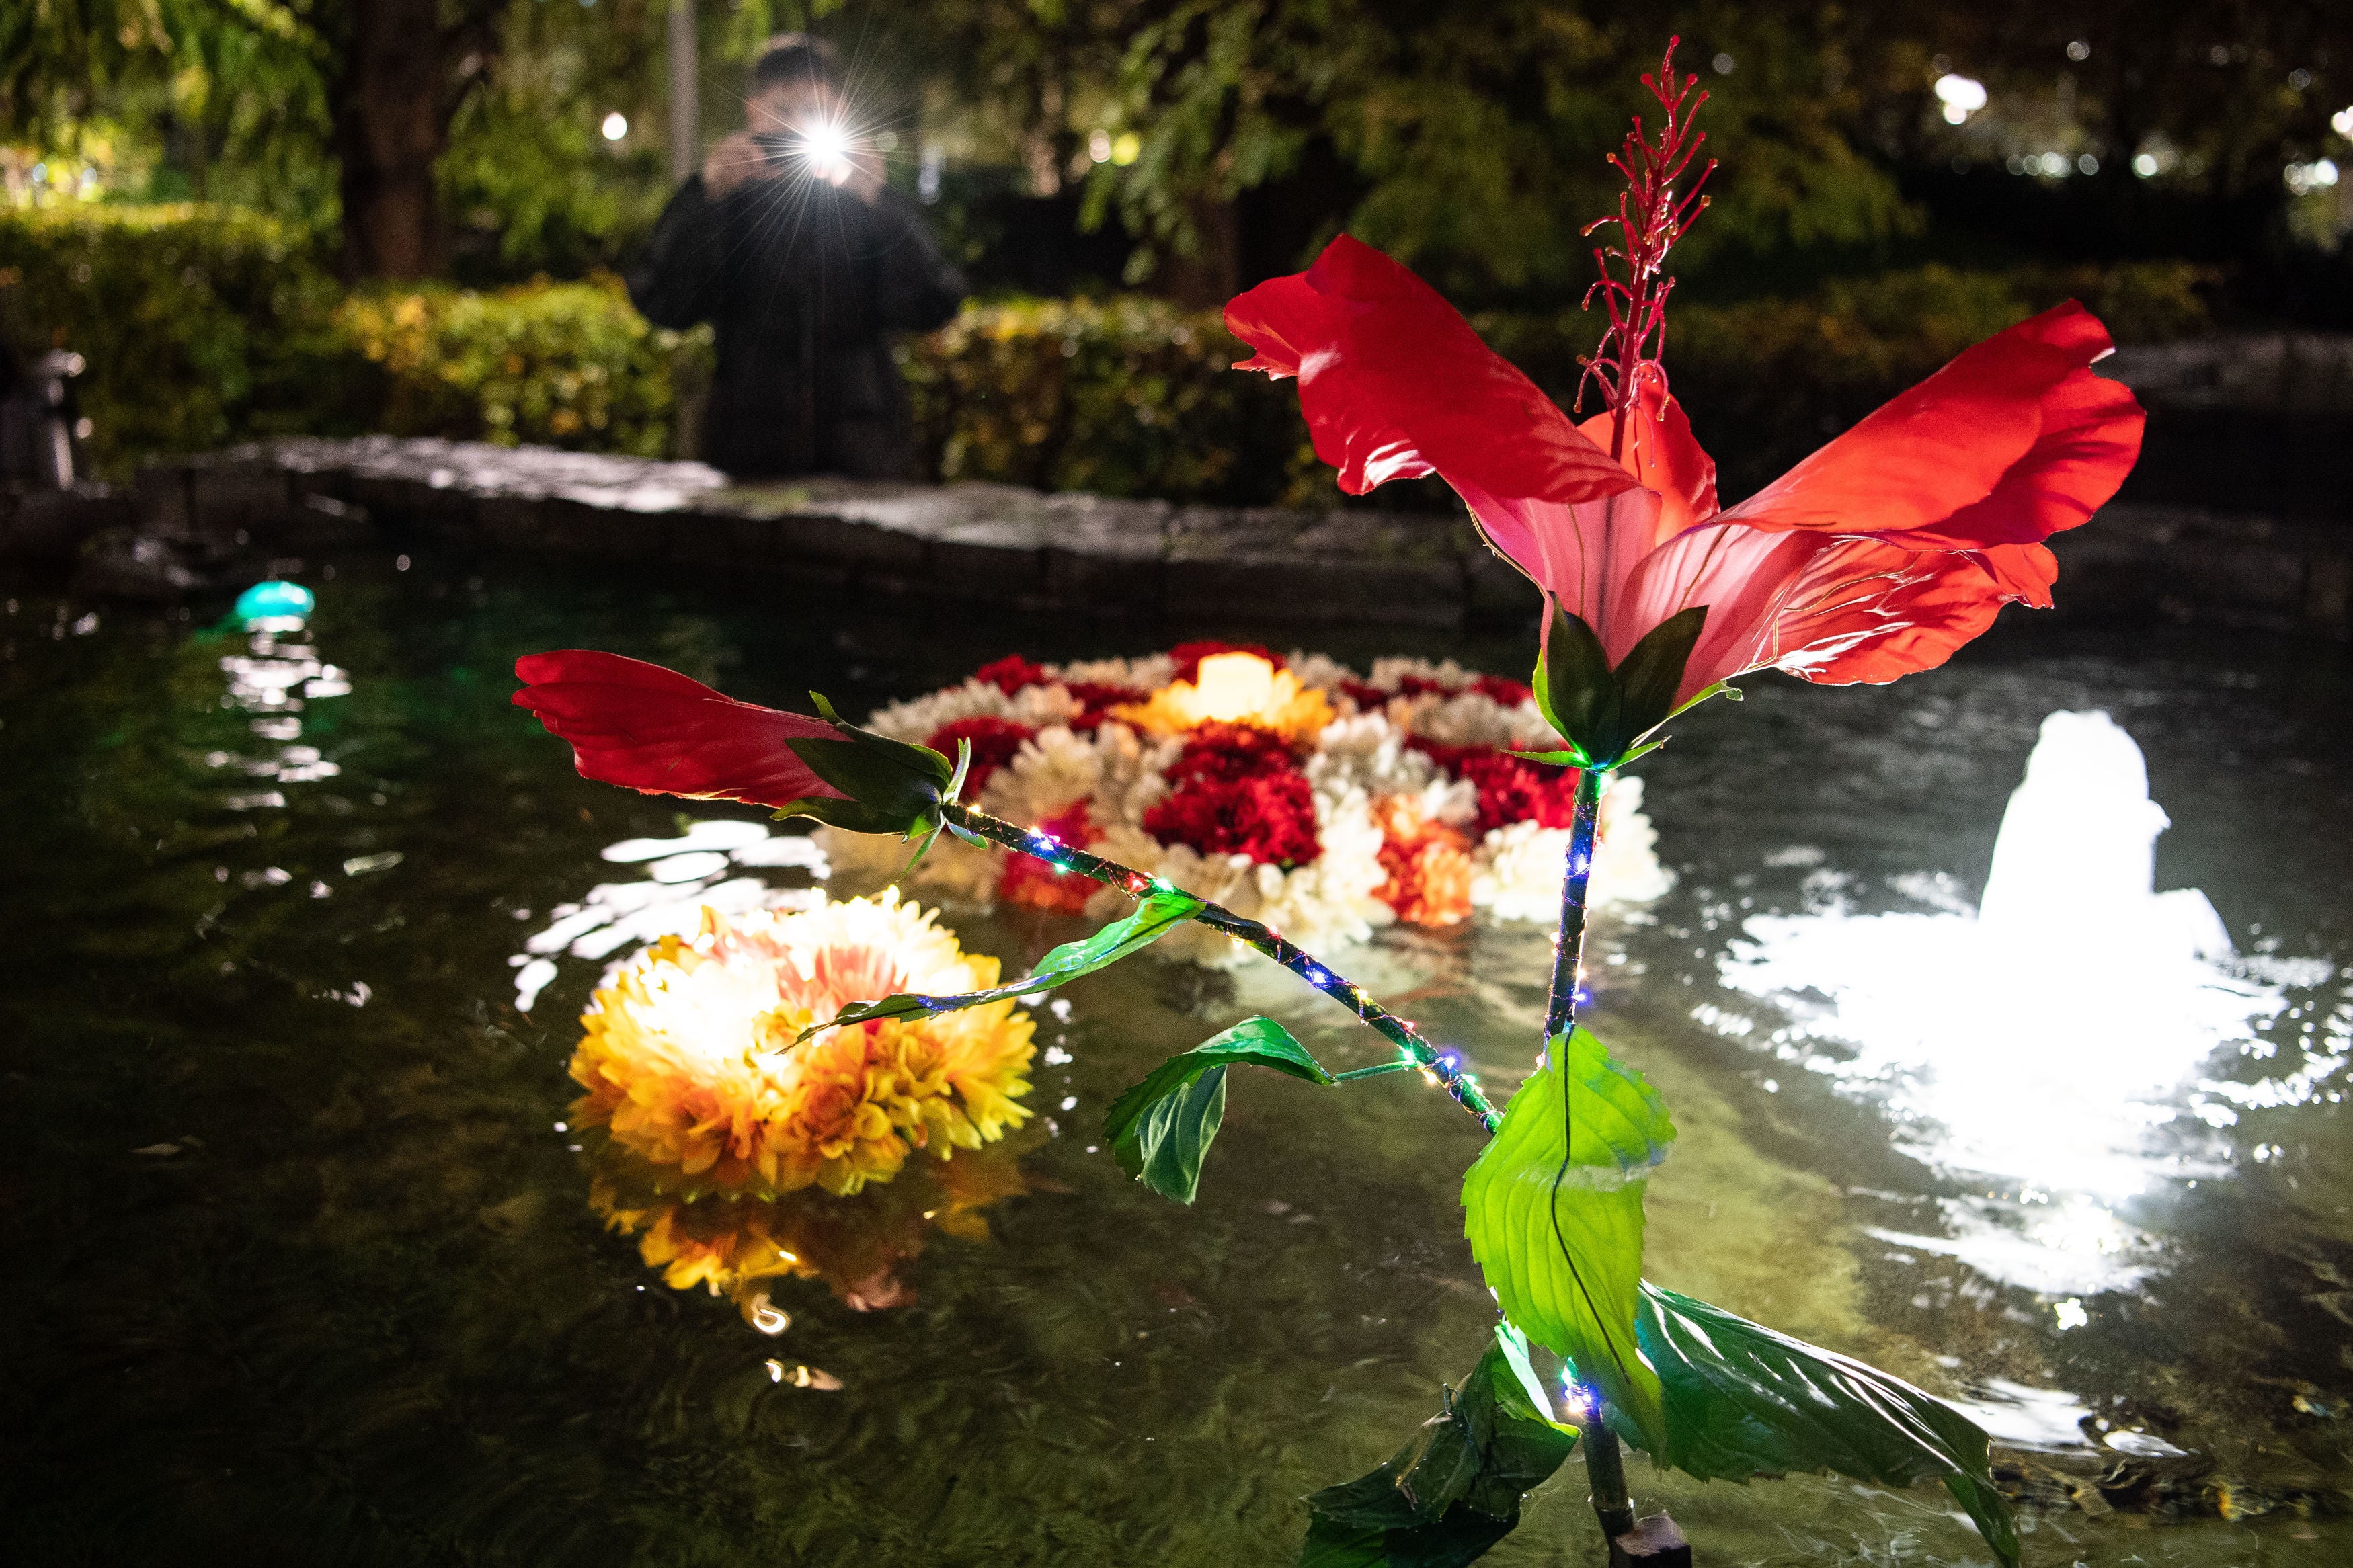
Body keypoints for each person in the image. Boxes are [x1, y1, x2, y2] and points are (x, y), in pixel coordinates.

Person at [628, 36, 967, 480]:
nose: (797, 126)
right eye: (784, 111)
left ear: (839, 113)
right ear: (753, 113)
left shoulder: (866, 204)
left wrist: (879, 203)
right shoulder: (729, 204)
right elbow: (663, 301)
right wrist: (704, 197)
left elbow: (934, 303)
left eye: (813, 112)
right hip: (750, 461)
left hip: (862, 460)